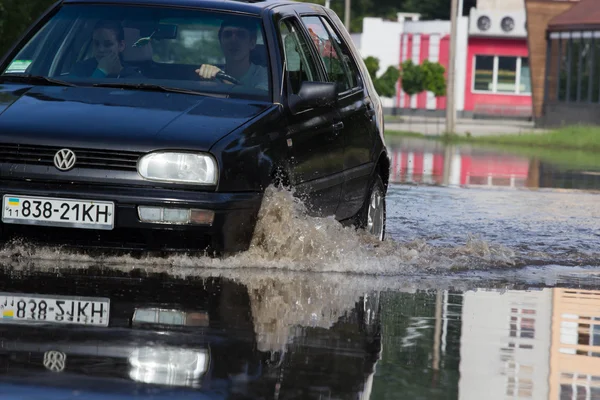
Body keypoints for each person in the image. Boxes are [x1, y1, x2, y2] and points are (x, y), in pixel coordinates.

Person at [196, 17, 268, 91]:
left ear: (252, 43)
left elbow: (256, 99)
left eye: (241, 35)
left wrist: (223, 79)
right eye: (227, 35)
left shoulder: (266, 75)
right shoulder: (212, 76)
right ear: (220, 42)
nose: (233, 40)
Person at [71, 20, 142, 79]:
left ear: (121, 46)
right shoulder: (80, 70)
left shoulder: (135, 78)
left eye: (108, 44)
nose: (101, 49)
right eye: (96, 44)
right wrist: (101, 72)